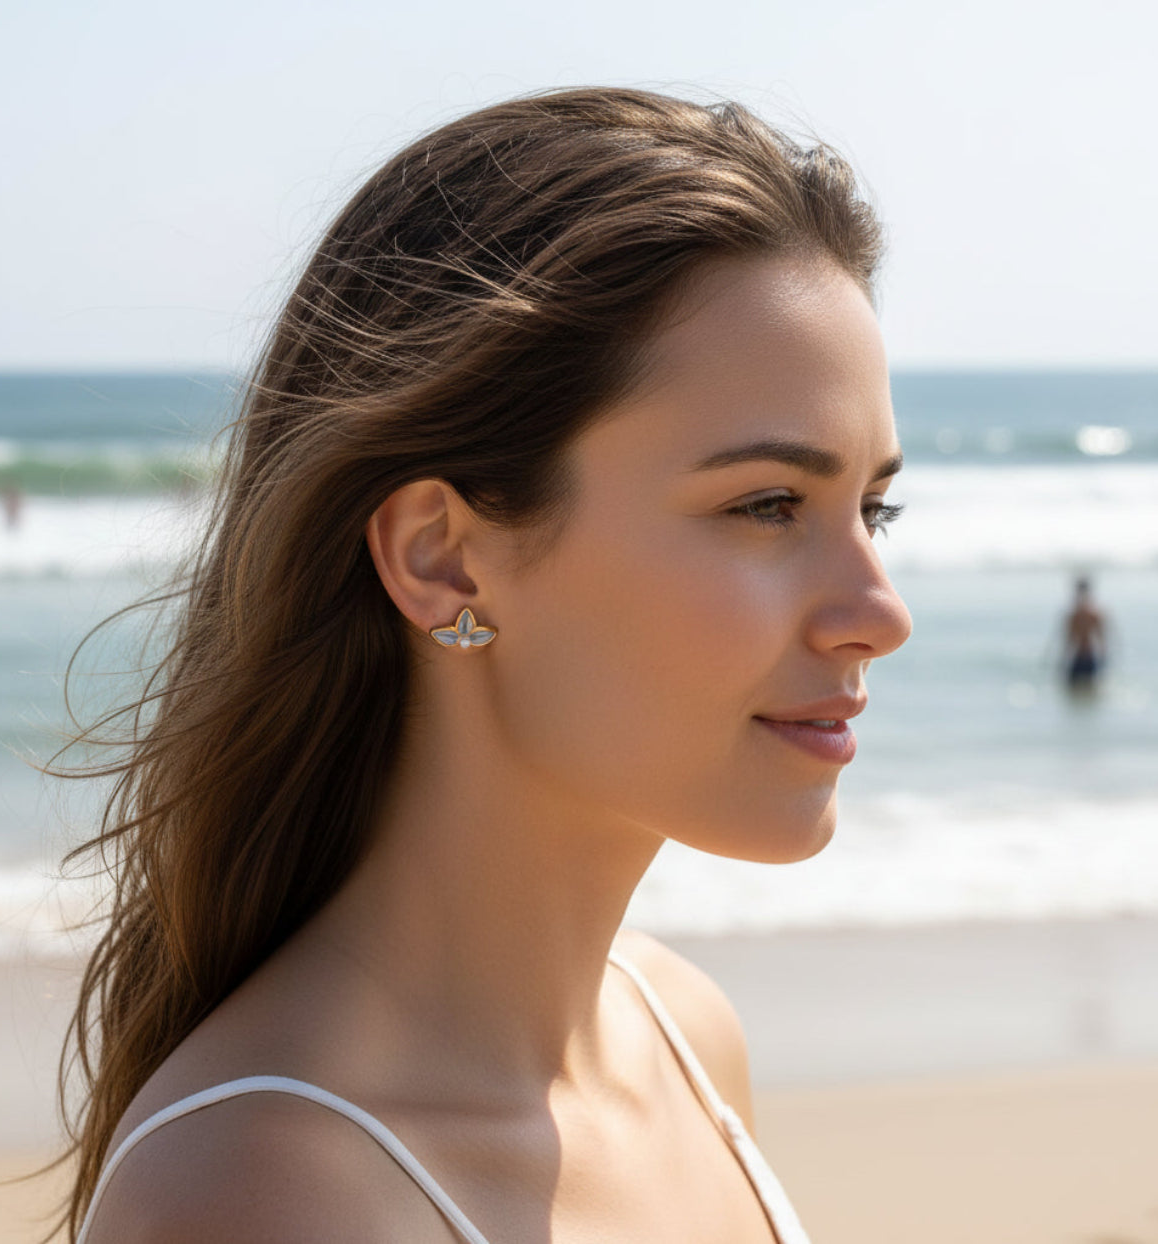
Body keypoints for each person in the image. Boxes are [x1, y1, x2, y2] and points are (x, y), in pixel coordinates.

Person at [50, 87, 912, 1243]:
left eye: (872, 507)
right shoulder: (263, 1195)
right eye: (765, 504)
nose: (877, 612)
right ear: (443, 558)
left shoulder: (683, 1036)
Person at [1063, 575, 1108, 694]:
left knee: (1084, 689)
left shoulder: (1090, 614)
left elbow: (1101, 638)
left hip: (1086, 655)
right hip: (1081, 656)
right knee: (1080, 690)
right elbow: (1068, 639)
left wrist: (1103, 656)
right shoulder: (1075, 614)